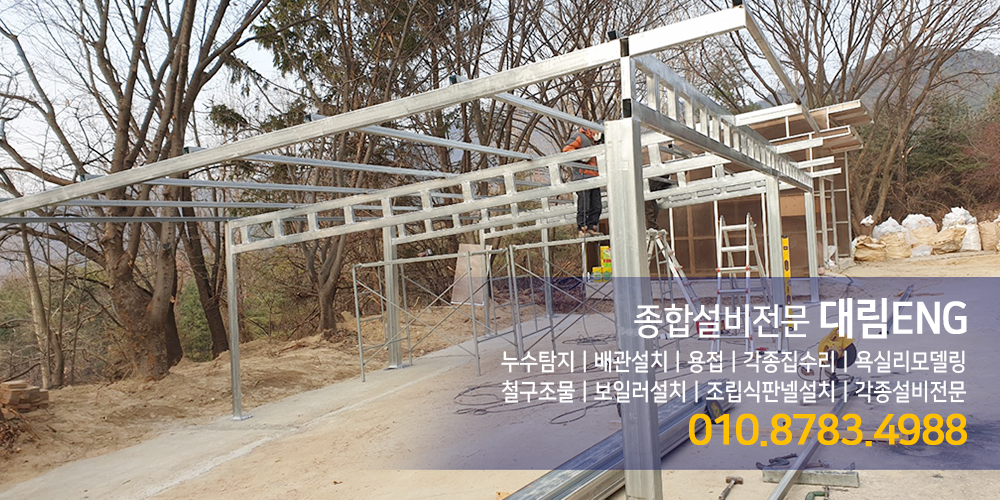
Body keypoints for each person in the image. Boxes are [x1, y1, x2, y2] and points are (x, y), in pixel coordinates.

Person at [563, 127, 603, 238]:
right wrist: (580, 156)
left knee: (596, 206)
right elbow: (566, 150)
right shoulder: (580, 137)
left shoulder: (596, 142)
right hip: (582, 176)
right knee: (584, 204)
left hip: (594, 177)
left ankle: (591, 226)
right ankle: (582, 227)